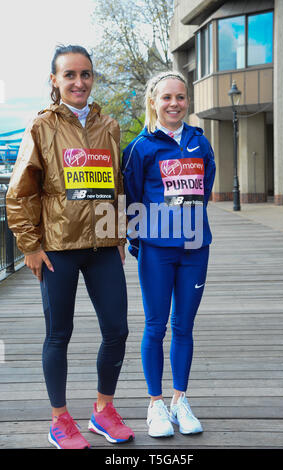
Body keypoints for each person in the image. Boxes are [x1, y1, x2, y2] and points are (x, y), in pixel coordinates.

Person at [6, 45, 134, 449]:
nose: (79, 82)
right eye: (70, 75)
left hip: (102, 246)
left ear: (92, 79)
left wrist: (117, 234)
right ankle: (59, 419)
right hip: (59, 247)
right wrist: (29, 245)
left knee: (117, 329)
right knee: (59, 334)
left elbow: (117, 184)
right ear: (55, 81)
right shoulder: (41, 126)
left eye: (86, 74)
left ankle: (103, 410)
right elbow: (20, 192)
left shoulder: (109, 125)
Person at [122, 71, 216, 438]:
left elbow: (205, 189)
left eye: (180, 97)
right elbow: (131, 197)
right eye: (166, 98)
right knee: (155, 325)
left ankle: (180, 401)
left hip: (195, 247)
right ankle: (155, 404)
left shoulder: (200, 143)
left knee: (184, 326)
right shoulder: (140, 147)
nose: (174, 104)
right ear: (153, 102)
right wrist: (138, 239)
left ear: (187, 102)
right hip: (156, 249)